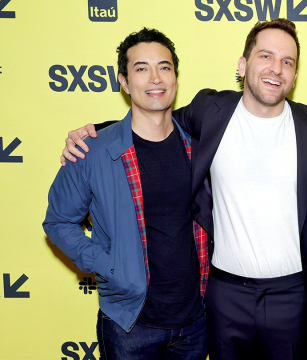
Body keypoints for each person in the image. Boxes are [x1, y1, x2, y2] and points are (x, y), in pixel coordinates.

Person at [60, 19, 307, 360]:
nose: (276, 69)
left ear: (295, 74)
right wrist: (92, 133)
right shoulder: (210, 111)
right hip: (224, 294)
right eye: (265, 56)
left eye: (287, 61)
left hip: (291, 294)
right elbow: (154, 121)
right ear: (243, 64)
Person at [43, 28, 209, 359]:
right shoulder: (91, 151)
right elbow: (58, 222)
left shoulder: (200, 146)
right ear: (123, 81)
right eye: (141, 68)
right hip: (129, 326)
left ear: (175, 75)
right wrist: (106, 264)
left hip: (196, 322)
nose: (155, 78)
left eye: (164, 67)